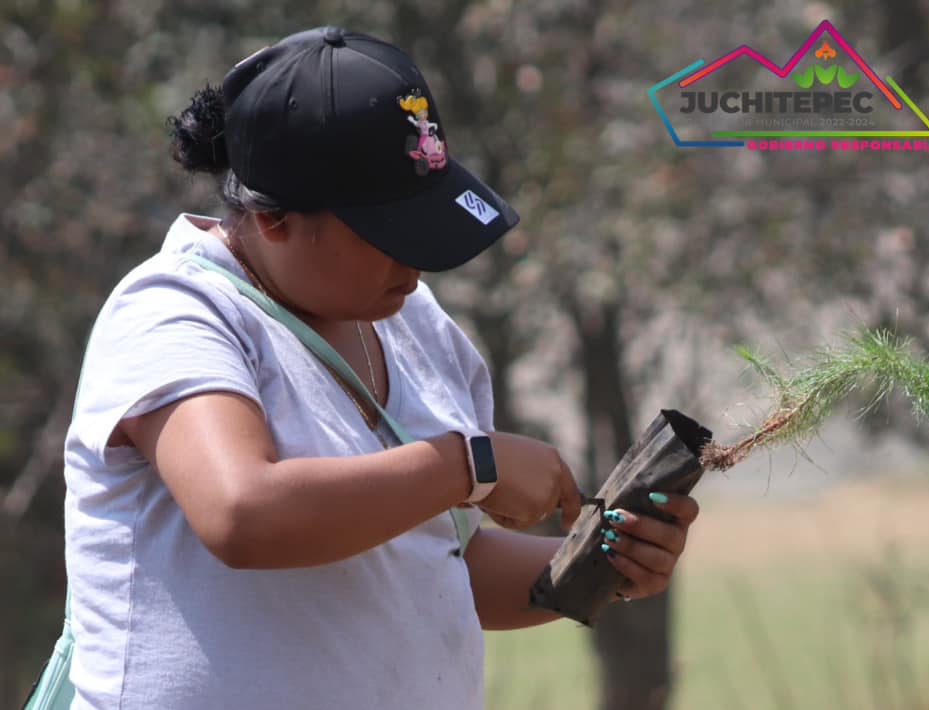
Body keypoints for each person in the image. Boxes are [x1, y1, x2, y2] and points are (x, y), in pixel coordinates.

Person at [62, 26, 699, 710]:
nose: (415, 263)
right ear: (273, 217)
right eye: (388, 235)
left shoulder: (415, 323)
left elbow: (436, 564)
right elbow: (242, 513)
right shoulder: (178, 312)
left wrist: (599, 564)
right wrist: (471, 465)